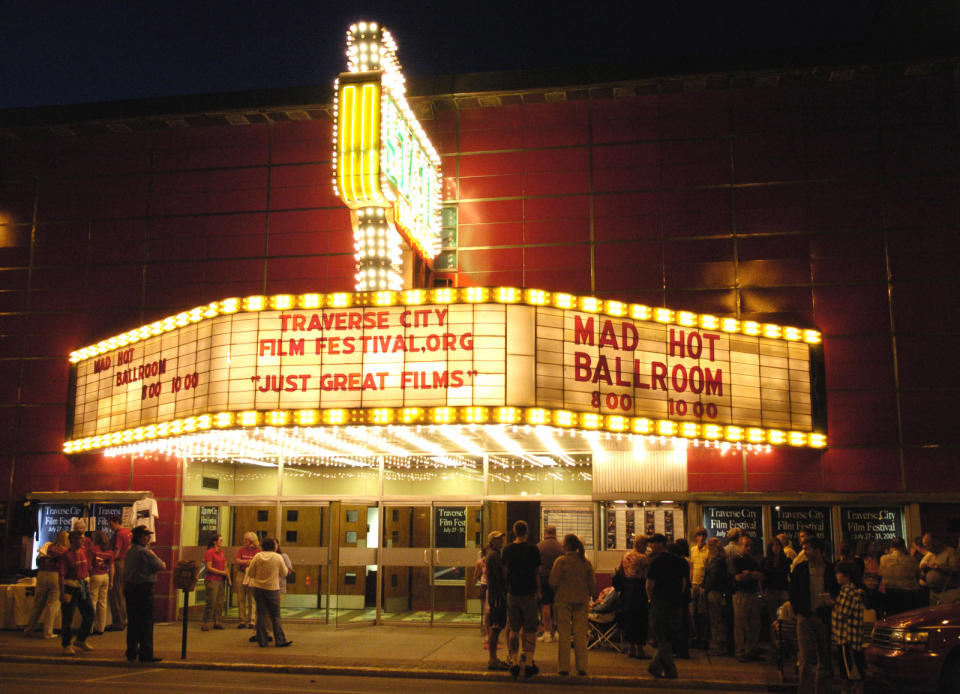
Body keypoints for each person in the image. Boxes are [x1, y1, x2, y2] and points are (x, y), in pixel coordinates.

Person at [789, 536, 837, 694]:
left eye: (808, 549)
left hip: (823, 617)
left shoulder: (830, 570)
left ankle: (821, 689)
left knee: (824, 657)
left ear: (819, 551)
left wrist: (831, 602)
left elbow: (836, 591)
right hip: (806, 616)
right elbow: (793, 592)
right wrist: (799, 611)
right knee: (805, 658)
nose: (805, 552)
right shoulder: (800, 569)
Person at [549, 533, 595, 677]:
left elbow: (553, 582)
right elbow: (591, 585)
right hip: (581, 600)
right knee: (580, 634)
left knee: (564, 634)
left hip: (563, 599)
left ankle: (564, 667)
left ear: (567, 545)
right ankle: (582, 667)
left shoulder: (561, 561)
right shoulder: (585, 562)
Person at [501, 519, 541, 680]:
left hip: (513, 592)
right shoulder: (533, 549)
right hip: (529, 592)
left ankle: (515, 662)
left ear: (514, 532)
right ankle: (529, 663)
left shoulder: (507, 550)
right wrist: (538, 591)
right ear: (527, 532)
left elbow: (505, 571)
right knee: (530, 629)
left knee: (513, 629)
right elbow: (536, 572)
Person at [645, 533, 687, 680]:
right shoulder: (679, 561)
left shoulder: (655, 562)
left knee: (661, 636)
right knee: (668, 637)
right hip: (675, 603)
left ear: (661, 544)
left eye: (653, 543)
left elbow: (649, 584)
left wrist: (651, 599)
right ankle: (655, 667)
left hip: (660, 602)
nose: (650, 546)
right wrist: (677, 596)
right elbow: (683, 583)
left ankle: (671, 670)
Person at [124, 525, 165, 663]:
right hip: (143, 589)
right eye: (146, 535)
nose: (148, 538)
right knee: (146, 622)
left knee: (133, 622)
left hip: (130, 588)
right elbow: (161, 565)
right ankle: (146, 653)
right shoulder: (144, 552)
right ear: (139, 537)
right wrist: (155, 555)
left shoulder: (131, 551)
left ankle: (131, 651)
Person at [244, 537, 292, 648]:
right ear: (274, 546)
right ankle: (280, 640)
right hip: (272, 588)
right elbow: (284, 573)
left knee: (261, 614)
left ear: (262, 546)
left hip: (258, 588)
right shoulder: (278, 557)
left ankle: (262, 641)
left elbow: (250, 573)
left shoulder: (257, 556)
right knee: (275, 616)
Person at [23, 530, 68, 639]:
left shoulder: (47, 545)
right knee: (52, 605)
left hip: (42, 574)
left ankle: (29, 629)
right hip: (55, 575)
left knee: (38, 604)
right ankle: (48, 632)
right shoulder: (65, 551)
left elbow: (38, 559)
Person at [832, 562, 868, 694]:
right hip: (852, 637)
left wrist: (833, 606)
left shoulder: (847, 592)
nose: (836, 576)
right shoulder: (853, 592)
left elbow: (843, 614)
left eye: (838, 573)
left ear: (846, 576)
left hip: (847, 637)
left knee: (850, 671)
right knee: (853, 669)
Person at [59, 530, 95, 655]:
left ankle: (81, 639)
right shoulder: (66, 555)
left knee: (90, 613)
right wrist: (62, 592)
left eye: (82, 538)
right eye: (79, 539)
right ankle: (67, 644)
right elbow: (61, 575)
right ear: (72, 540)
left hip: (83, 585)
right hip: (70, 586)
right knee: (68, 617)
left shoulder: (83, 552)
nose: (82, 541)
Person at [732, 534, 763, 662]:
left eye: (750, 545)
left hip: (753, 593)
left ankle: (751, 650)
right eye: (746, 545)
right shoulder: (735, 560)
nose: (748, 548)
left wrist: (749, 574)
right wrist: (751, 575)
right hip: (741, 594)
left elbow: (761, 576)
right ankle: (740, 650)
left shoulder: (753, 561)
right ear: (740, 546)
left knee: (754, 624)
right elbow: (737, 577)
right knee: (741, 624)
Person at [617, 534, 650, 659]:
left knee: (629, 618)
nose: (646, 548)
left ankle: (630, 648)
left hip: (627, 589)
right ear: (641, 545)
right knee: (641, 619)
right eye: (645, 545)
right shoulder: (644, 558)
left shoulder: (626, 555)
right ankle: (639, 649)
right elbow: (647, 575)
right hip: (639, 589)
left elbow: (619, 570)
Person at [484, 531, 509, 671]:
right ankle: (492, 659)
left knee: (497, 626)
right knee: (496, 626)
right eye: (498, 539)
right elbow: (501, 575)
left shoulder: (494, 554)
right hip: (497, 596)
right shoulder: (494, 556)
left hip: (496, 595)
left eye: (501, 539)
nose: (501, 541)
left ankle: (493, 658)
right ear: (492, 541)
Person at [879, 537, 923, 615]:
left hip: (891, 595)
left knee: (893, 619)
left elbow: (881, 573)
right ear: (904, 547)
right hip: (909, 595)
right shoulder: (912, 560)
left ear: (891, 547)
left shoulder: (883, 559)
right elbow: (918, 575)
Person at [701, 536, 729, 656]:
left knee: (716, 619)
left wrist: (705, 588)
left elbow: (713, 578)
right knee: (715, 619)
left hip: (714, 592)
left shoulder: (717, 561)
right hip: (713, 591)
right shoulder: (715, 560)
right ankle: (717, 644)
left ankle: (719, 645)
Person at [536, 525, 563, 643]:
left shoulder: (539, 546)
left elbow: (536, 566)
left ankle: (547, 632)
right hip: (558, 579)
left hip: (543, 578)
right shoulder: (561, 547)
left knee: (545, 605)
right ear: (555, 533)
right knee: (557, 605)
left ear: (545, 533)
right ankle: (557, 631)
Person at [919, 533, 960, 605]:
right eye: (925, 546)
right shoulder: (930, 555)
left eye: (929, 545)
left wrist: (939, 567)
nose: (927, 548)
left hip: (948, 593)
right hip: (933, 593)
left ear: (936, 542)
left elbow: (955, 569)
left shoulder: (950, 552)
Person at [107, 517, 132, 631]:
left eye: (111, 524)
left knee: (115, 592)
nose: (110, 527)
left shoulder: (119, 534)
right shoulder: (128, 532)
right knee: (122, 592)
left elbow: (117, 551)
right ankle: (125, 618)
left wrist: (109, 560)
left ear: (117, 522)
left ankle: (118, 621)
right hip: (127, 563)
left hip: (118, 563)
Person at [201, 534, 230, 631]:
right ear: (215, 542)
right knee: (211, 601)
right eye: (220, 540)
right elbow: (209, 567)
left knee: (219, 602)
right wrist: (222, 572)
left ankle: (217, 621)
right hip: (212, 579)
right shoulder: (210, 552)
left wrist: (228, 577)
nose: (222, 542)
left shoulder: (221, 552)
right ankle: (205, 622)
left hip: (220, 580)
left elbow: (225, 566)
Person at [89, 529, 114, 635]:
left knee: (92, 602)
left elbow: (89, 564)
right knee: (103, 602)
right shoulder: (109, 551)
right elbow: (112, 567)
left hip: (95, 575)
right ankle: (100, 627)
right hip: (105, 576)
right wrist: (111, 581)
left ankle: (89, 627)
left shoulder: (93, 550)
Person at [689, 527, 710, 650]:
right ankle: (696, 636)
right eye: (699, 535)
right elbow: (692, 566)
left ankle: (703, 638)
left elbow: (708, 569)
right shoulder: (693, 549)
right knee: (693, 612)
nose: (701, 538)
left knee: (702, 612)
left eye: (703, 535)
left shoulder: (708, 550)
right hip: (694, 583)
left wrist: (704, 584)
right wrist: (691, 580)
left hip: (702, 584)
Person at [762, 537, 791, 626]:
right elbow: (761, 577)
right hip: (771, 591)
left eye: (777, 545)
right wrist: (762, 591)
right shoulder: (765, 561)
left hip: (782, 590)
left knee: (784, 617)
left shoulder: (786, 560)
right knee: (773, 618)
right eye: (773, 546)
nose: (775, 548)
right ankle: (775, 638)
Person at [234, 531, 260, 628]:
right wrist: (248, 561)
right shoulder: (241, 550)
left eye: (246, 539)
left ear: (251, 540)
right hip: (241, 574)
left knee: (251, 599)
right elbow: (237, 560)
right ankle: (242, 620)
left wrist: (244, 562)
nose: (244, 541)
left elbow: (258, 562)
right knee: (241, 598)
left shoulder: (257, 551)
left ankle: (252, 620)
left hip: (252, 576)